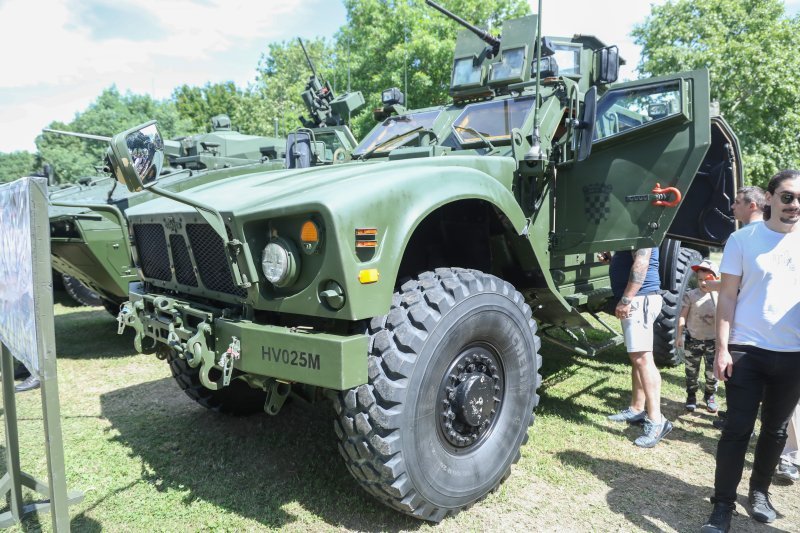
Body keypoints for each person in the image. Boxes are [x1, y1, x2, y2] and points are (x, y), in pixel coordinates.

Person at [701, 170, 800, 532]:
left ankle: (758, 493)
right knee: (737, 429)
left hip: (793, 354)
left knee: (775, 431)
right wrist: (721, 349)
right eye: (788, 197)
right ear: (770, 198)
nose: (794, 205)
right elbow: (727, 296)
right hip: (745, 349)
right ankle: (722, 506)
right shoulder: (742, 239)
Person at [604, 248, 671, 448]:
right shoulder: (636, 228)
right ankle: (637, 408)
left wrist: (626, 300)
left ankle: (657, 421)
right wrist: (613, 259)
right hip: (640, 298)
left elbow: (641, 263)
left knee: (643, 359)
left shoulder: (641, 227)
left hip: (638, 299)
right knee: (638, 357)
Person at [676, 259, 719, 413]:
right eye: (700, 279)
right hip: (693, 341)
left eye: (707, 279)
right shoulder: (691, 295)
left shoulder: (719, 297)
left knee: (712, 373)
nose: (703, 283)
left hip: (713, 342)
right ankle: (691, 396)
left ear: (715, 279)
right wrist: (679, 336)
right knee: (691, 371)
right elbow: (682, 317)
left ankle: (710, 396)